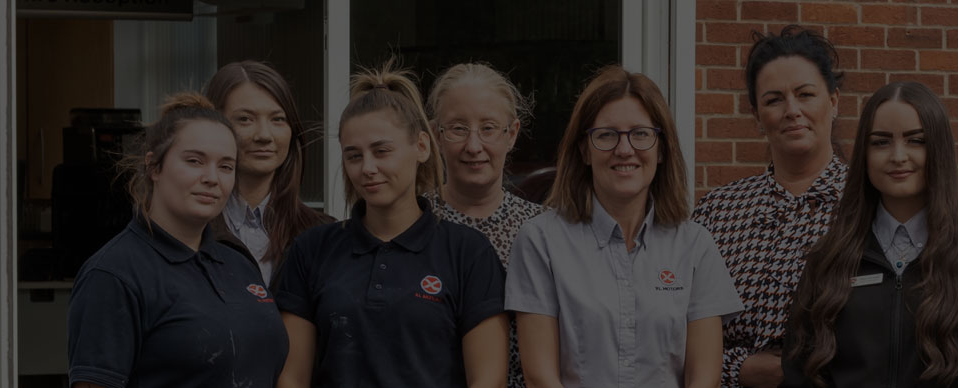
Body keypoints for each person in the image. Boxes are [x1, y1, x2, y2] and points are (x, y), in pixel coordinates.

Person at [274, 61, 509, 388]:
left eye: (382, 151)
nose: (367, 168)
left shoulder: (468, 253)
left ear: (422, 147)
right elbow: (291, 378)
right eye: (354, 156)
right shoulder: (310, 250)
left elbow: (489, 380)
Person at [506, 66, 744, 388]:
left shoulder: (695, 246)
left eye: (640, 133)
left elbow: (704, 378)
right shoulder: (541, 242)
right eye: (606, 135)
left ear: (661, 149)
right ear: (584, 151)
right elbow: (540, 377)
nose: (624, 149)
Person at [779, 82, 958, 388]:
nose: (897, 155)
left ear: (938, 148)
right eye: (880, 142)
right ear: (864, 155)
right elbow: (799, 375)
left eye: (915, 141)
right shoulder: (828, 258)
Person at [68, 93, 287, 388]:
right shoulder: (114, 275)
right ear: (154, 167)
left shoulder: (238, 264)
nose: (212, 178)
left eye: (225, 166)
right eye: (195, 161)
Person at [691, 25, 847, 388]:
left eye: (805, 94)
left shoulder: (867, 204)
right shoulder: (717, 211)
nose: (792, 110)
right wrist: (740, 369)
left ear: (834, 102)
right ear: (757, 115)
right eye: (774, 100)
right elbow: (677, 327)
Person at [424, 62, 546, 388]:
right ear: (436, 135)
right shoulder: (412, 224)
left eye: (489, 128)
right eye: (458, 129)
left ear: (512, 134)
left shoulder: (544, 231)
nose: (474, 146)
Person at [204, 60, 337, 286]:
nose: (264, 135)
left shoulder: (323, 234)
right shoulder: (191, 228)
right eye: (245, 119)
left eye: (278, 119)